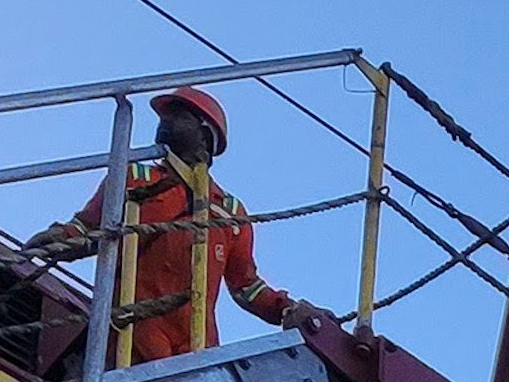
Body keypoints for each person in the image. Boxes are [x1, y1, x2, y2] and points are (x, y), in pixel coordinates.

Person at [27, 87, 317, 367]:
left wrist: (286, 309)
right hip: (133, 338)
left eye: (178, 115)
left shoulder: (230, 212)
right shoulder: (134, 178)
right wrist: (59, 238)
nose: (164, 122)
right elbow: (88, 229)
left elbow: (246, 285)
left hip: (197, 349)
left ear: (205, 134)